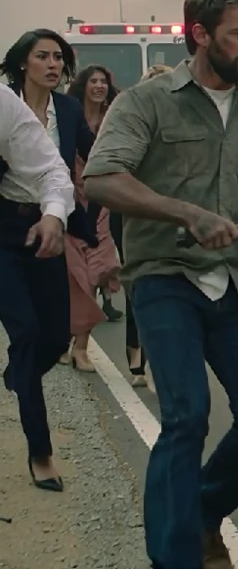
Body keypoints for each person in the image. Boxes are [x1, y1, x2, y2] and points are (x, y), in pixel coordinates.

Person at [82, 0, 238, 569]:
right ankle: (174, 556)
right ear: (199, 34)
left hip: (237, 284)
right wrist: (188, 214)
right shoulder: (146, 103)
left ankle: (203, 511)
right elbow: (100, 178)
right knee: (186, 417)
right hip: (164, 278)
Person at [1, 30, 100, 373]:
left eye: (58, 57)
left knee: (57, 333)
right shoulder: (6, 103)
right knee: (25, 326)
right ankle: (25, 379)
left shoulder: (68, 108)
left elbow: (94, 155)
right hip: (6, 220)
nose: (52, 64)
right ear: (23, 63)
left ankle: (23, 372)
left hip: (53, 221)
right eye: (42, 56)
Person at [0, 83, 75, 492]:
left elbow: (51, 169)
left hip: (32, 227)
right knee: (26, 334)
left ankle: (20, 373)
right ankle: (40, 452)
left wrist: (54, 214)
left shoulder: (3, 103)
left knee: (56, 338)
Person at [111, 62, 174, 390]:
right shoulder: (130, 124)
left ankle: (161, 359)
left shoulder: (188, 127)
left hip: (173, 219)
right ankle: (136, 355)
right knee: (138, 286)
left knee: (169, 289)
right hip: (132, 217)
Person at [61, 65, 122, 374]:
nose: (99, 86)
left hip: (103, 204)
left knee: (98, 271)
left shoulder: (115, 117)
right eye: (93, 81)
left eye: (103, 81)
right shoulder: (68, 117)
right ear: (83, 85)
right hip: (69, 203)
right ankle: (65, 339)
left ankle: (81, 347)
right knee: (75, 277)